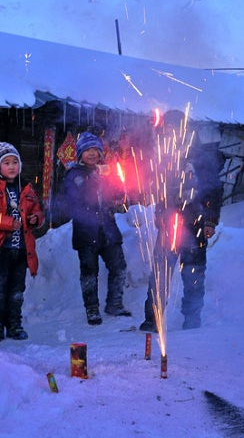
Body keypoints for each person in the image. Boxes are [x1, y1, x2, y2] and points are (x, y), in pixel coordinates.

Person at [139, 110, 223, 332]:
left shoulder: (202, 158)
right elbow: (161, 190)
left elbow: (213, 191)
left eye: (175, 129)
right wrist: (159, 213)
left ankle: (192, 318)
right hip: (169, 225)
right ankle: (152, 318)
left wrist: (210, 221)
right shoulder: (164, 157)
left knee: (194, 273)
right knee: (160, 272)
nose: (171, 133)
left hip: (195, 225)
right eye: (167, 129)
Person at [0, 142, 44, 343]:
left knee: (17, 290)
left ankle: (14, 323)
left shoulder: (28, 188)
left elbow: (37, 211)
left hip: (21, 250)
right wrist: (6, 222)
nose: (12, 166)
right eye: (6, 163)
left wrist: (35, 219)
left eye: (15, 162)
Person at [64, 132, 131, 326]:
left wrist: (114, 180)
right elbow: (73, 202)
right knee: (89, 270)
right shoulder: (74, 175)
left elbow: (119, 194)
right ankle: (91, 308)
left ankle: (115, 302)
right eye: (87, 150)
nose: (92, 154)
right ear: (80, 154)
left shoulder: (105, 171)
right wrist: (91, 182)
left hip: (108, 229)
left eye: (95, 150)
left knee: (118, 266)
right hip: (86, 232)